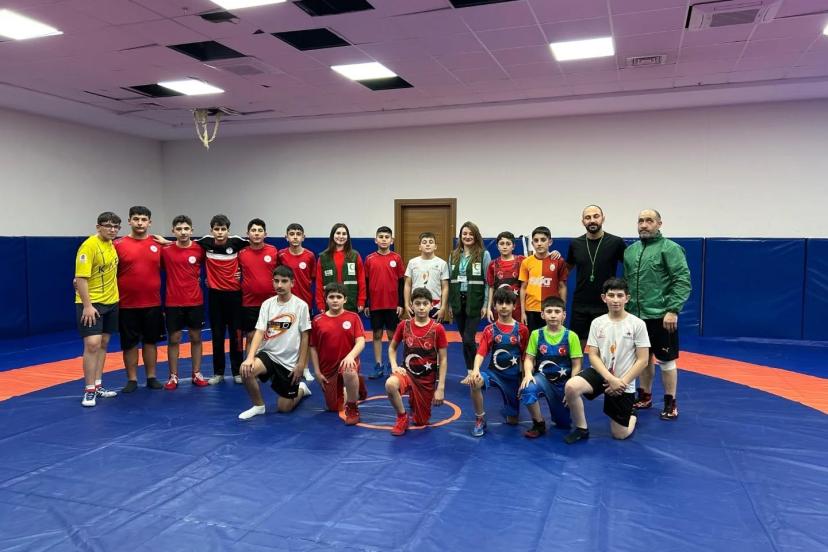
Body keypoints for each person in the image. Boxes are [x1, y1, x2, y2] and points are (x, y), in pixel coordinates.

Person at [563, 278, 650, 443]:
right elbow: (593, 355)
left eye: (620, 295)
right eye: (611, 295)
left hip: (624, 380)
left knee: (620, 434)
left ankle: (632, 414)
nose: (615, 300)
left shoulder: (637, 324)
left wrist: (621, 382)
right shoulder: (597, 323)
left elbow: (643, 360)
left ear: (627, 298)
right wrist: (610, 379)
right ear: (604, 298)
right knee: (571, 386)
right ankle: (581, 429)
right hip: (601, 373)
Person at [624, 209, 691, 420]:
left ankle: (671, 403)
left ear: (659, 224)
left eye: (649, 221)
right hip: (636, 316)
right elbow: (627, 283)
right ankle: (645, 396)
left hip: (662, 317)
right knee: (642, 359)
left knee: (666, 361)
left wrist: (673, 310)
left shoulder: (670, 248)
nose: (644, 225)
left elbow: (682, 280)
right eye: (640, 221)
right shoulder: (631, 251)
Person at [238, 266, 312, 420]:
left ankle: (301, 390)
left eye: (284, 281)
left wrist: (301, 365)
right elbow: (259, 331)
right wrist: (250, 357)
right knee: (245, 370)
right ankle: (258, 406)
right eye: (276, 281)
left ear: (292, 283)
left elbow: (305, 337)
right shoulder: (267, 304)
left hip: (289, 363)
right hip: (269, 355)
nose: (279, 285)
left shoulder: (301, 306)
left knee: (284, 408)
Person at [461, 288, 529, 437]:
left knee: (512, 421)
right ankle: (480, 419)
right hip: (494, 374)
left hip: (512, 379)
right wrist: (475, 370)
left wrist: (525, 377)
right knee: (475, 381)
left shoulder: (522, 330)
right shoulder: (490, 329)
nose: (504, 306)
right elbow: (481, 353)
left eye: (508, 303)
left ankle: (509, 409)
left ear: (514, 306)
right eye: (500, 303)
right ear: (494, 306)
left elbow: (526, 357)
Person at [385, 288, 448, 436]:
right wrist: (394, 366)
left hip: (426, 380)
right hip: (407, 373)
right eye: (417, 303)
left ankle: (415, 399)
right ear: (411, 305)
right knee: (390, 384)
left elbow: (443, 359)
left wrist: (440, 387)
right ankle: (402, 417)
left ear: (431, 305)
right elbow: (392, 348)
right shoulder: (404, 325)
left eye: (425, 304)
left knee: (421, 421)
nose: (421, 307)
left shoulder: (437, 329)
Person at [114, 206, 165, 392]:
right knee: (129, 343)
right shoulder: (118, 245)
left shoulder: (158, 244)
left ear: (149, 222)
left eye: (144, 219)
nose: (140, 223)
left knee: (150, 342)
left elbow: (178, 262)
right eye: (136, 219)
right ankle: (132, 379)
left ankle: (151, 377)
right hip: (127, 304)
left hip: (152, 302)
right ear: (129, 221)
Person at [195, 214, 249, 385]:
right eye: (216, 229)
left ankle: (237, 371)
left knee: (236, 335)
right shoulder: (205, 242)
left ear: (228, 230)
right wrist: (162, 241)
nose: (220, 232)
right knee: (217, 335)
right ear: (211, 230)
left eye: (223, 229)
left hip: (234, 296)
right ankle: (218, 373)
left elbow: (255, 250)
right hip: (215, 296)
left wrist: (243, 272)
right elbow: (185, 243)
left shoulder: (237, 242)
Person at [519, 296, 583, 438]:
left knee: (563, 424)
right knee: (527, 388)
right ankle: (539, 423)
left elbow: (577, 365)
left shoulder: (571, 336)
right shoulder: (536, 334)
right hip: (542, 379)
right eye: (549, 311)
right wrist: (528, 374)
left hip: (563, 384)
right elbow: (529, 358)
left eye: (557, 311)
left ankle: (560, 413)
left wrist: (572, 388)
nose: (553, 315)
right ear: (542, 314)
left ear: (564, 315)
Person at [75, 211, 121, 407]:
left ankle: (98, 384)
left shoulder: (112, 244)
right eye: (108, 226)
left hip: (111, 301)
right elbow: (80, 278)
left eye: (116, 227)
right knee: (92, 344)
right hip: (92, 304)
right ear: (98, 227)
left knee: (103, 343)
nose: (112, 229)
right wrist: (87, 306)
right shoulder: (89, 246)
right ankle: (89, 389)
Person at [565, 205, 627, 350]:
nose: (592, 220)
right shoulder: (575, 244)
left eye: (596, 216)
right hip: (580, 303)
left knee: (606, 348)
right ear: (583, 222)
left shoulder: (616, 242)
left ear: (603, 219)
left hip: (606, 303)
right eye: (588, 217)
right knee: (576, 348)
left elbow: (631, 267)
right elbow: (566, 269)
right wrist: (551, 257)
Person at [160, 215, 208, 389]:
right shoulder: (165, 251)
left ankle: (197, 373)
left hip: (195, 301)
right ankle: (173, 376)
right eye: (179, 229)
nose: (183, 232)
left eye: (186, 229)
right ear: (173, 231)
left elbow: (214, 264)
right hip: (173, 302)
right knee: (174, 339)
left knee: (196, 337)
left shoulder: (200, 249)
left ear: (192, 231)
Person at [310, 283, 366, 425]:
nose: (335, 300)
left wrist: (350, 356)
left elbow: (361, 341)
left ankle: (352, 408)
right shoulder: (317, 320)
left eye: (339, 297)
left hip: (348, 362)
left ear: (345, 299)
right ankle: (357, 385)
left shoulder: (353, 317)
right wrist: (317, 372)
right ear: (326, 299)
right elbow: (313, 347)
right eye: (331, 297)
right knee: (334, 407)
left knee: (348, 370)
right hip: (328, 368)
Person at [448, 221, 491, 373]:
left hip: (475, 301)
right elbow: (450, 282)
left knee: (468, 339)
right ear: (460, 236)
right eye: (464, 233)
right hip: (457, 301)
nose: (467, 236)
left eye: (471, 234)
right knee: (464, 340)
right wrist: (450, 305)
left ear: (476, 236)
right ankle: (469, 371)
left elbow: (488, 282)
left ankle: (475, 370)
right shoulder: (453, 255)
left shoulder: (484, 254)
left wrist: (485, 304)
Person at [276, 222, 316, 381]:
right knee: (284, 335)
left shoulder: (310, 256)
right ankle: (284, 366)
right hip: (284, 303)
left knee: (304, 336)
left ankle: (304, 367)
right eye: (291, 234)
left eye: (298, 234)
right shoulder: (281, 255)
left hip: (304, 302)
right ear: (286, 237)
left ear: (303, 237)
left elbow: (312, 278)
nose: (295, 237)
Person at [364, 226, 405, 379]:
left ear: (391, 240)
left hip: (392, 304)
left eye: (387, 237)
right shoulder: (369, 259)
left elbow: (401, 282)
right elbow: (365, 282)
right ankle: (378, 365)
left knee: (392, 335)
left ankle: (392, 364)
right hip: (375, 304)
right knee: (376, 334)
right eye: (381, 237)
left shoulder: (396, 258)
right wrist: (366, 303)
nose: (383, 239)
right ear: (375, 240)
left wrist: (401, 303)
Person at [519, 226, 568, 331]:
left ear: (550, 242)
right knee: (534, 339)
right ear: (532, 243)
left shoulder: (559, 261)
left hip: (551, 309)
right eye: (536, 240)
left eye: (543, 240)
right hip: (531, 309)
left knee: (552, 338)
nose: (539, 243)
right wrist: (522, 312)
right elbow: (523, 288)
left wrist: (563, 310)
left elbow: (562, 287)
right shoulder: (526, 262)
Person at [239, 218, 278, 349]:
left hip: (272, 302)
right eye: (253, 230)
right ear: (247, 234)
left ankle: (268, 362)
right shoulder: (242, 253)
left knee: (271, 337)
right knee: (251, 336)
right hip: (249, 303)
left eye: (260, 230)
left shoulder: (273, 251)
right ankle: (250, 362)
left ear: (265, 234)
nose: (256, 233)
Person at [315, 223, 366, 314]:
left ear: (348, 237)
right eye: (338, 233)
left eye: (344, 234)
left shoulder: (355, 256)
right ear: (332, 235)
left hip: (351, 302)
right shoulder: (323, 257)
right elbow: (319, 283)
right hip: (330, 304)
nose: (341, 236)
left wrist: (361, 300)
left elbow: (362, 280)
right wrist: (320, 303)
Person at [403, 232, 449, 322]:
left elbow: (445, 287)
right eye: (424, 242)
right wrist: (406, 304)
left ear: (435, 246)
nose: (427, 244)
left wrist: (443, 307)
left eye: (431, 242)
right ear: (419, 247)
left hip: (435, 305)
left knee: (434, 330)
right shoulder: (412, 262)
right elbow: (407, 285)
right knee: (416, 330)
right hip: (416, 304)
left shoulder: (442, 264)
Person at [486, 231, 525, 323]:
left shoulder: (521, 261)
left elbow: (538, 258)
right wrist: (489, 308)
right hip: (499, 307)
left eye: (508, 244)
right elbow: (491, 288)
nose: (505, 246)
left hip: (517, 308)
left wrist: (553, 254)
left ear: (513, 246)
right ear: (497, 246)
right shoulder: (493, 264)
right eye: (502, 243)